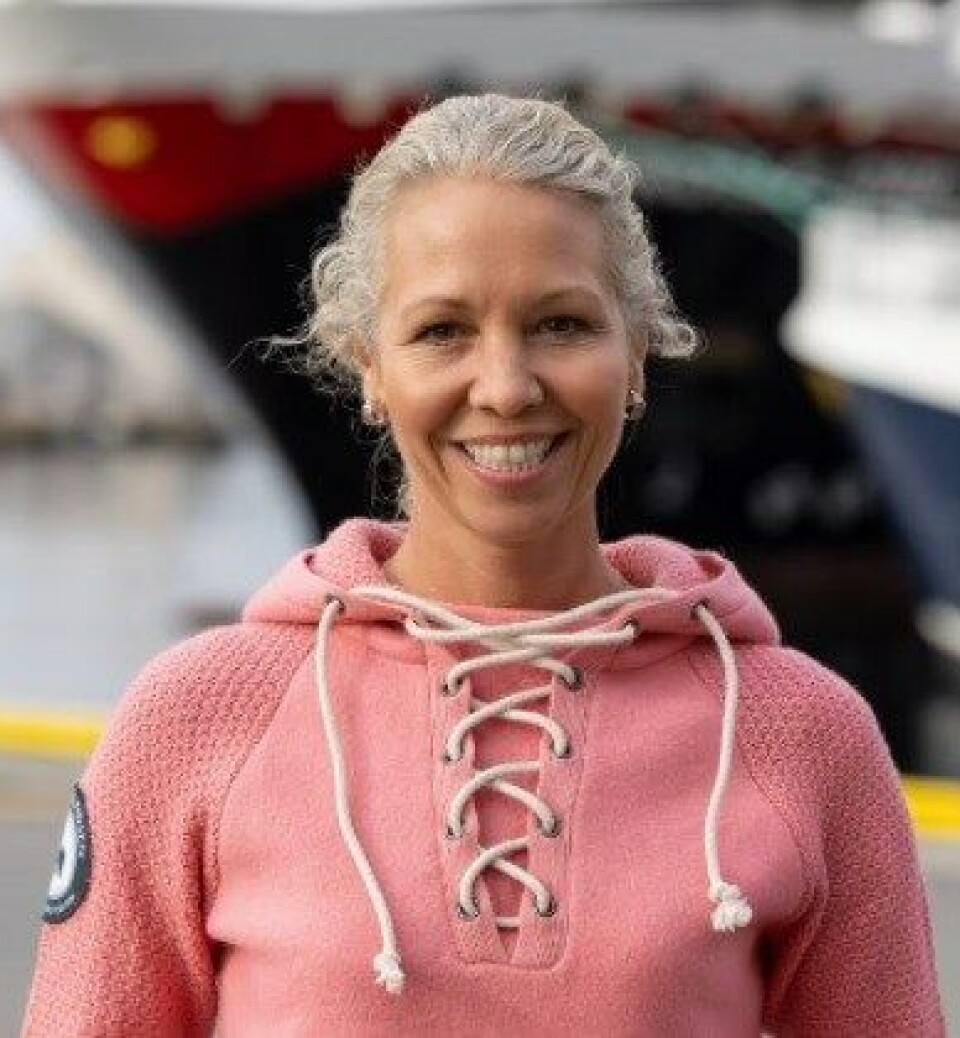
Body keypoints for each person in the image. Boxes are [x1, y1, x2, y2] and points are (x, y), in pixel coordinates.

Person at [22, 94, 945, 1037]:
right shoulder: (195, 720)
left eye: (562, 325)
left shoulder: (803, 735)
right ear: (369, 365)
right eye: (442, 332)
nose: (505, 388)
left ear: (635, 353)